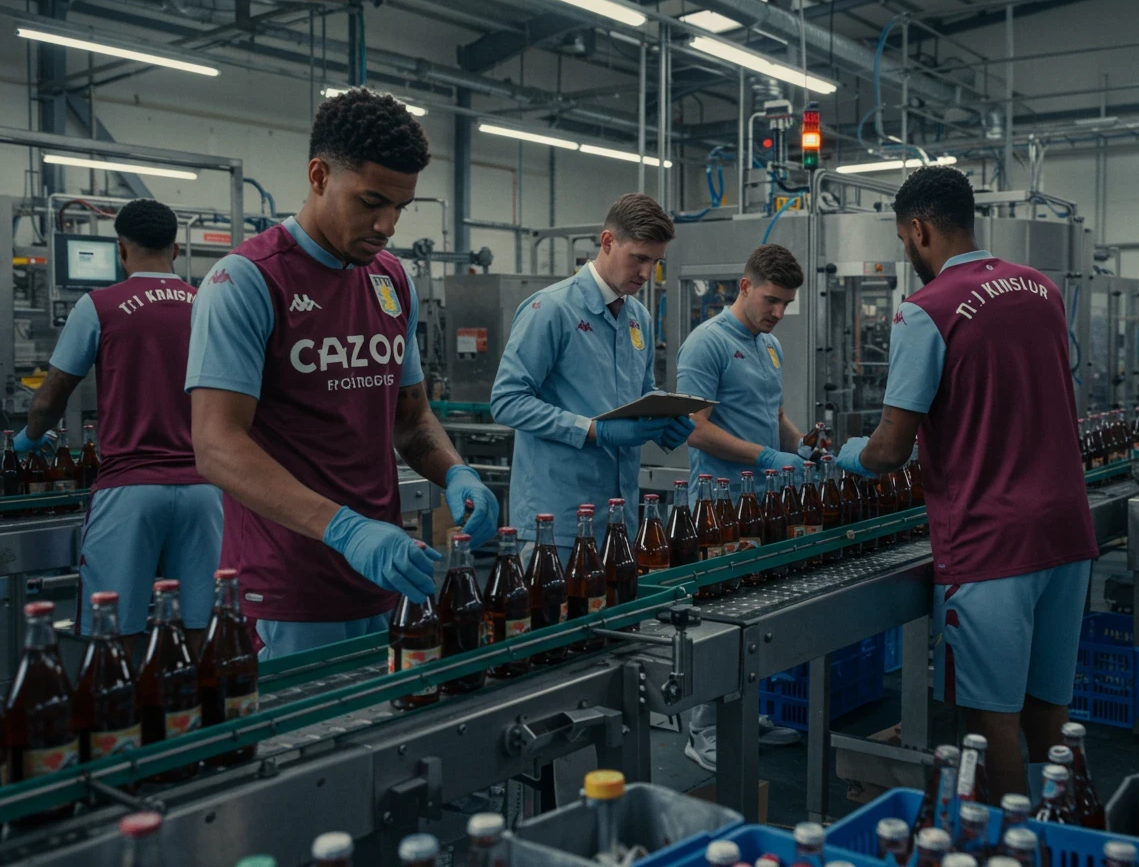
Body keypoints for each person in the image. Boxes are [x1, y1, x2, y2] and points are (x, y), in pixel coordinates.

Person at [186, 88, 499, 659]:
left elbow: (410, 418)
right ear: (319, 175)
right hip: (286, 590)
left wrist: (457, 473)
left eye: (401, 207)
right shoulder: (248, 282)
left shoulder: (390, 279)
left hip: (386, 576)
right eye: (371, 201)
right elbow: (216, 446)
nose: (387, 224)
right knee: (304, 748)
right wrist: (345, 529)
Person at [835, 167, 1098, 801]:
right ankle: (1075, 834)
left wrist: (847, 456)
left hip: (990, 542)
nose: (907, 252)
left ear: (918, 230)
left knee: (990, 721)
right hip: (1068, 529)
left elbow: (892, 448)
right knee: (1049, 711)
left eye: (903, 240)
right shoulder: (1043, 289)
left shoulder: (924, 312)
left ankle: (1011, 848)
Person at [15, 199, 220, 653]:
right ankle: (202, 716)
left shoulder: (99, 305)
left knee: (115, 629)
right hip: (207, 488)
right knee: (204, 623)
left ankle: (125, 717)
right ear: (176, 247)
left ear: (121, 249)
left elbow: (51, 396)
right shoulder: (208, 303)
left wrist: (27, 441)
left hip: (129, 488)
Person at [490, 193, 694, 564]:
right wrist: (592, 430)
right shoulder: (550, 309)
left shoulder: (638, 318)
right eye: (639, 258)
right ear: (607, 242)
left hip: (619, 519)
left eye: (656, 262)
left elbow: (640, 390)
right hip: (557, 523)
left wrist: (663, 418)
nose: (646, 274)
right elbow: (506, 401)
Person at [675, 243, 808, 769]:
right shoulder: (705, 345)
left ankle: (746, 712)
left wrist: (802, 446)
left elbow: (773, 414)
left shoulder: (767, 345)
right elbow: (697, 430)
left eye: (786, 304)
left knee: (758, 612)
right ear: (745, 287)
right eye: (772, 300)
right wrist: (769, 457)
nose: (778, 313)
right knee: (715, 620)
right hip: (719, 505)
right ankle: (701, 731)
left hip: (763, 505)